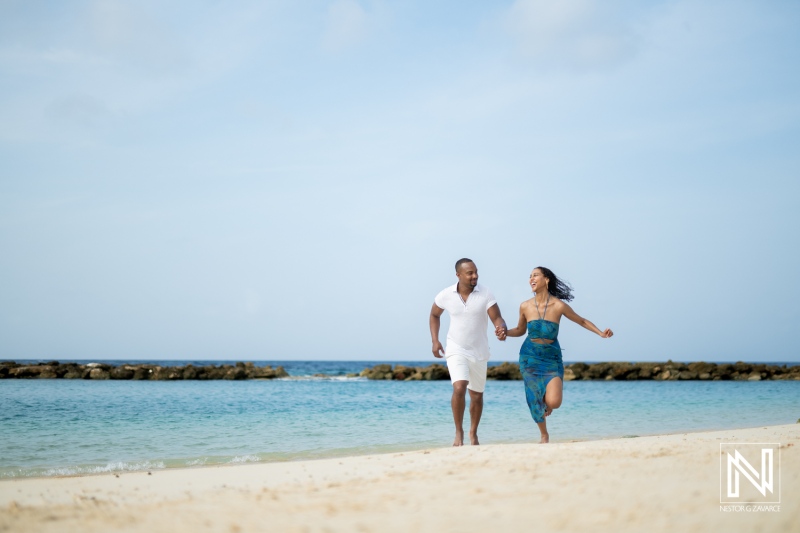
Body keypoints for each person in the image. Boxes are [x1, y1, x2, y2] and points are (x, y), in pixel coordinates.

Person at [506, 266, 613, 443]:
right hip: (530, 357)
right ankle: (544, 434)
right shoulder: (525, 306)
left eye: (535, 275)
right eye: (530, 276)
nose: (531, 279)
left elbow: (582, 320)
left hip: (551, 359)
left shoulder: (559, 306)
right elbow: (519, 330)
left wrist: (601, 333)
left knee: (554, 402)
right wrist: (505, 333)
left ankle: (546, 404)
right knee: (533, 397)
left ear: (546, 279)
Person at [429, 258, 507, 446]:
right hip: (456, 348)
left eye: (476, 272)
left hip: (479, 351)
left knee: (477, 395)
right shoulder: (446, 295)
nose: (475, 276)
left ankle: (473, 432)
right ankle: (459, 433)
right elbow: (434, 314)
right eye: (470, 273)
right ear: (458, 275)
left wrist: (501, 328)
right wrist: (435, 340)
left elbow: (497, 317)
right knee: (459, 387)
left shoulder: (486, 293)